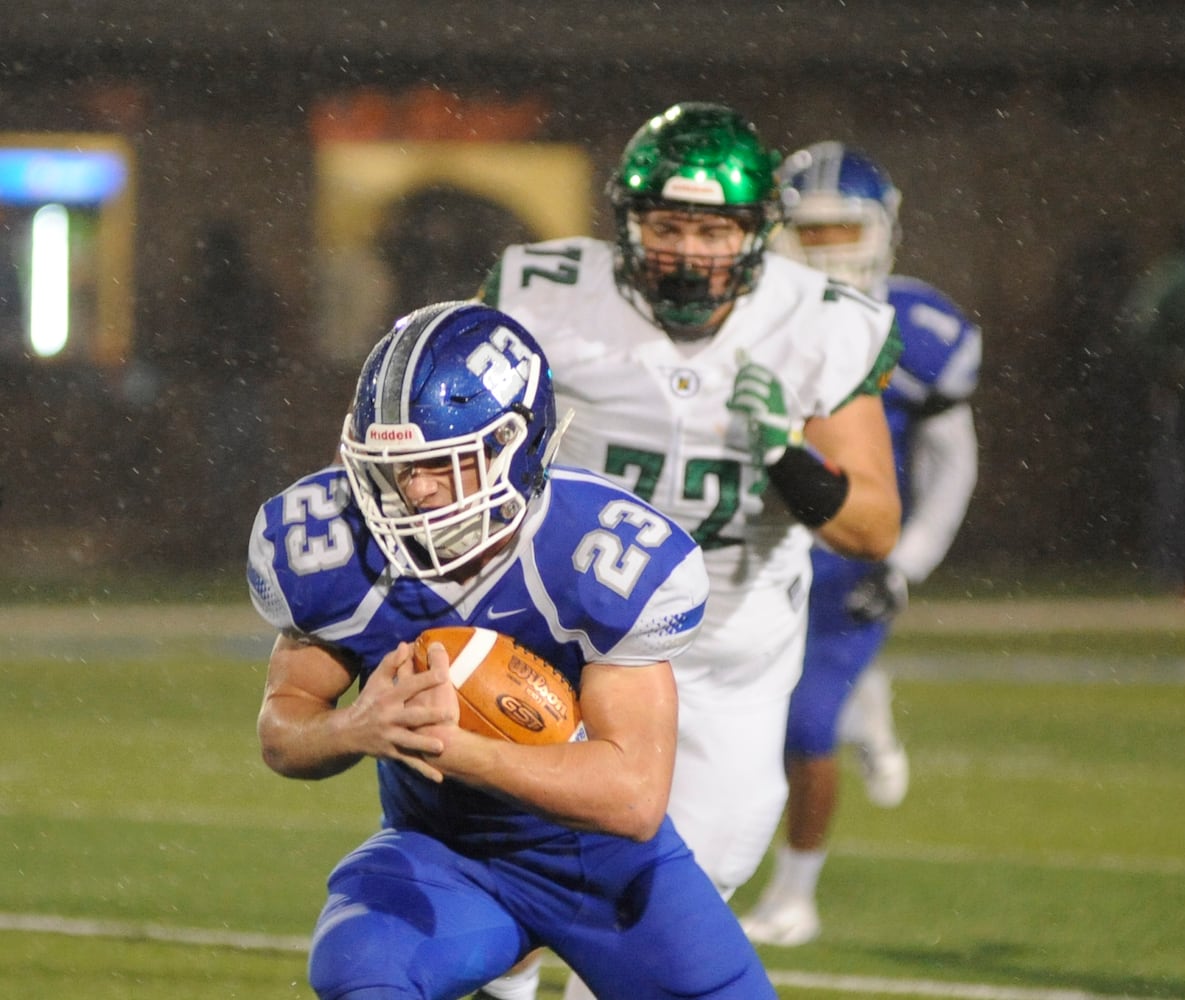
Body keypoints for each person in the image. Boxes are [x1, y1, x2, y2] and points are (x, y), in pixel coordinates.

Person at [479, 103, 902, 999]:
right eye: (667, 225)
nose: (687, 251)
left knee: (668, 910)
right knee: (510, 893)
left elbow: (871, 527)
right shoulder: (546, 296)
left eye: (714, 229)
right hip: (564, 637)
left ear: (757, 236)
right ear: (626, 225)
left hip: (724, 662)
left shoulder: (816, 322)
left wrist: (788, 452)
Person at [246, 300, 777, 1000]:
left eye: (444, 463)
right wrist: (354, 728)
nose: (417, 489)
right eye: (397, 467)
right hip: (446, 855)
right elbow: (284, 729)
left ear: (512, 446)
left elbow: (632, 798)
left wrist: (448, 746)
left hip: (603, 862)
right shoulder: (332, 545)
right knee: (360, 967)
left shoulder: (600, 552)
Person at [739, 141, 982, 946]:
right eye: (812, 232)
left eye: (845, 230)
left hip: (850, 550)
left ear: (884, 228)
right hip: (756, 548)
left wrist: (907, 566)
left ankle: (796, 893)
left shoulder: (921, 327)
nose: (829, 249)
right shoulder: (754, 314)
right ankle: (863, 697)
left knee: (805, 726)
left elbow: (953, 463)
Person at [1120, 215, 1185, 601]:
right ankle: (1178, 573)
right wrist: (1174, 369)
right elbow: (1140, 331)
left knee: (1178, 485)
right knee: (1178, 484)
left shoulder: (1170, 278)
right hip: (1182, 401)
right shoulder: (1173, 278)